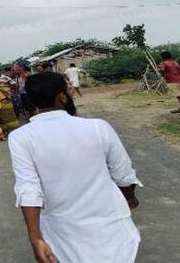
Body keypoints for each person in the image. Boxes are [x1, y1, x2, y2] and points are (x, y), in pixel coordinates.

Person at [8, 72, 141, 263]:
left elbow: (28, 188)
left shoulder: (20, 137)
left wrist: (35, 238)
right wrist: (129, 196)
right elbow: (123, 175)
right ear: (62, 96)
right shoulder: (98, 127)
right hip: (109, 224)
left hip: (61, 231)